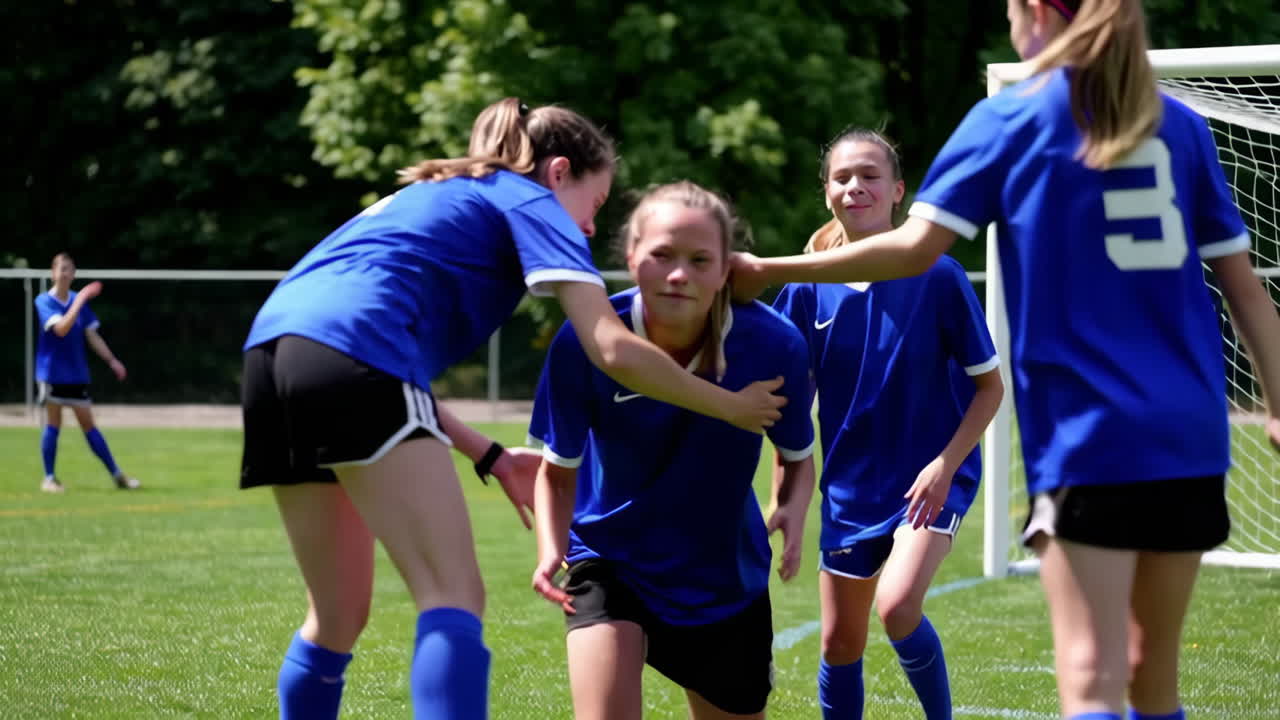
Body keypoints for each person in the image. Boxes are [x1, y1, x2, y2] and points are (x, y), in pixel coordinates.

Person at [731, 2, 1280, 719]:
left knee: (1092, 681)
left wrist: (767, 267)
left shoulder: (1013, 118)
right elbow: (1245, 287)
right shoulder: (1178, 125)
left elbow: (914, 249)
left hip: (1090, 433)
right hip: (1192, 434)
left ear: (1039, 12)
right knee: (1155, 680)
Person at [239, 100, 789, 720]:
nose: (586, 228)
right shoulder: (528, 199)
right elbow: (610, 346)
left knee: (337, 616)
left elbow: (374, 366)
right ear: (558, 173)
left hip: (270, 356)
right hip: (349, 357)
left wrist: (492, 455)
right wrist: (730, 406)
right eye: (596, 203)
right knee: (453, 598)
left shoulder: (443, 191)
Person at [528, 181, 816, 720]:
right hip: (609, 556)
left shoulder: (776, 344)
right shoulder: (583, 343)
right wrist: (550, 547)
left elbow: (797, 454)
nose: (678, 274)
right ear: (632, 257)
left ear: (726, 269)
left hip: (723, 578)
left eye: (699, 259)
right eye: (661, 255)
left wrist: (793, 507)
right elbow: (557, 472)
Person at [768, 128, 1003, 720]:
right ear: (827, 193)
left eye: (870, 175)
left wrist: (945, 466)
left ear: (898, 190)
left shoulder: (939, 277)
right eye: (842, 177)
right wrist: (788, 501)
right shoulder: (804, 289)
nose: (856, 186)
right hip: (849, 491)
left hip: (927, 482)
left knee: (897, 607)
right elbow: (788, 408)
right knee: (838, 644)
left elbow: (990, 387)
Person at [34, 252, 140, 493]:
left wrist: (112, 361)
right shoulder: (44, 301)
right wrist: (80, 299)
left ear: (73, 273)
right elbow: (60, 329)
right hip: (52, 374)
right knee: (53, 424)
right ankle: (49, 479)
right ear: (53, 273)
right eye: (61, 268)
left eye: (69, 269)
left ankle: (117, 475)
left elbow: (92, 335)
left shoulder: (77, 300)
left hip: (76, 374)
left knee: (89, 425)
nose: (65, 273)